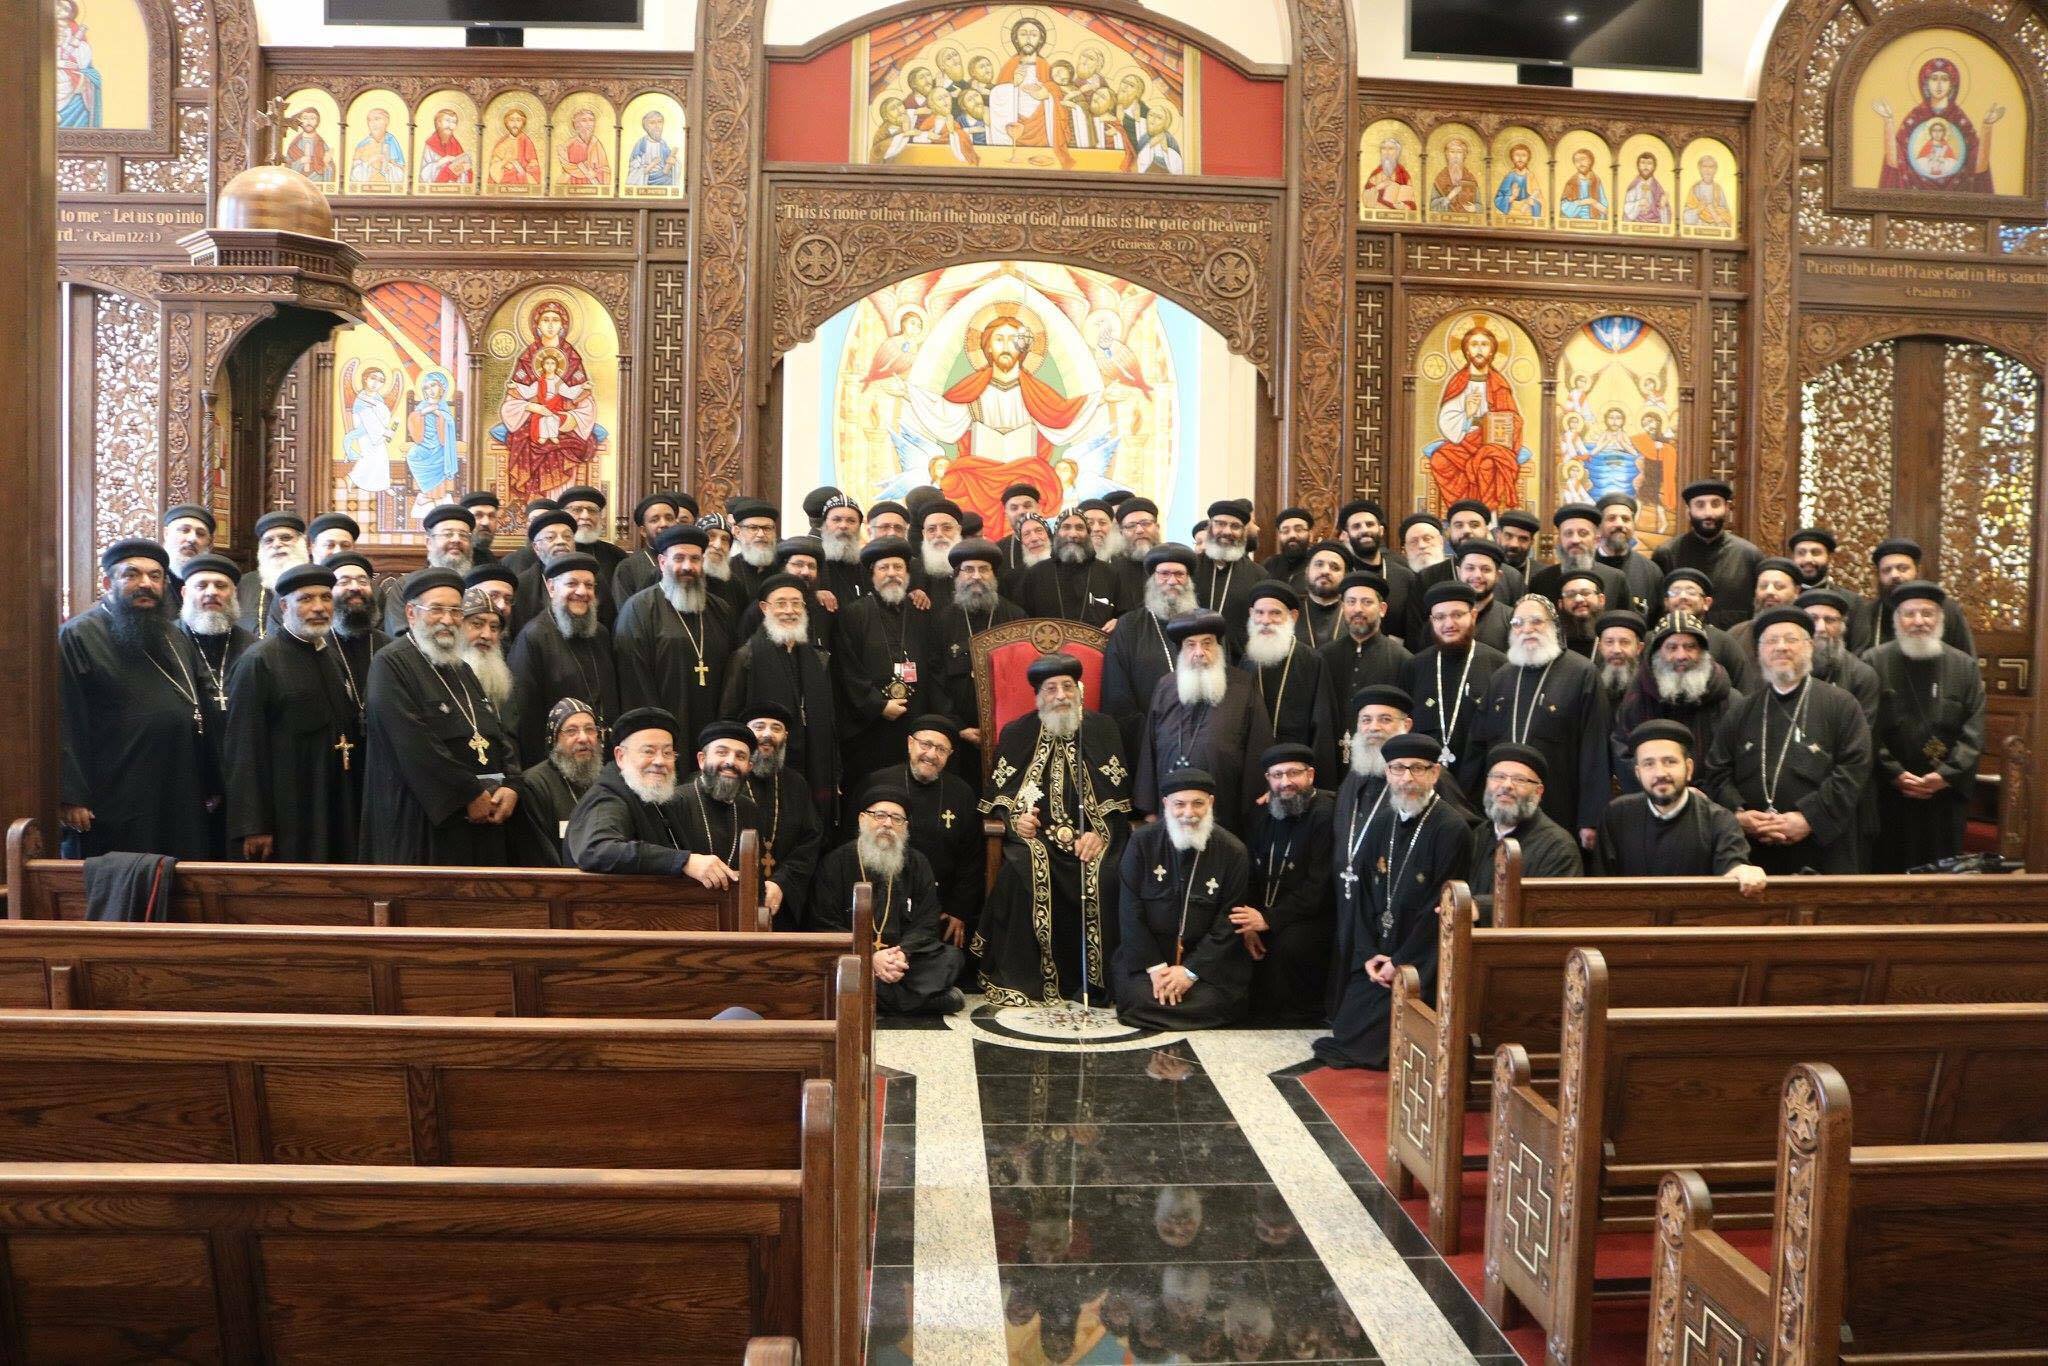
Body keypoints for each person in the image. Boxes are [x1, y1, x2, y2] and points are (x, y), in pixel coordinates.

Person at [976, 652, 1133, 1008]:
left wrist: (1100, 834)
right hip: (1037, 840)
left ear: (1079, 690)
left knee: (1107, 875)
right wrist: (1016, 821)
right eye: (1051, 688)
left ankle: (1097, 981)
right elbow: (999, 798)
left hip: (1093, 838)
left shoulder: (1104, 729)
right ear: (1038, 696)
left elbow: (1119, 800)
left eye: (1067, 686)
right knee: (1020, 874)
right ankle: (1030, 981)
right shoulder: (1017, 732)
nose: (1061, 695)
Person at [59, 539, 224, 860]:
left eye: (155, 576)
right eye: (132, 575)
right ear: (108, 583)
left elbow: (199, 708)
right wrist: (71, 796)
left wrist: (211, 780)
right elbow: (65, 718)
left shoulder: (174, 635)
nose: (146, 584)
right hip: (116, 791)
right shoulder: (79, 635)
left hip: (179, 786)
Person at [1314, 732, 1472, 1070]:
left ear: (1434, 773)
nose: (1407, 778)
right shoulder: (1382, 822)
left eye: (1417, 768)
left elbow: (1439, 908)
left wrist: (1399, 960)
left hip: (1423, 955)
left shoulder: (1452, 828)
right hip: (1379, 950)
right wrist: (1368, 953)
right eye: (1398, 768)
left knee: (1377, 1040)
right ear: (1387, 773)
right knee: (1347, 1028)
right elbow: (1363, 897)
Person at [359, 568, 522, 866]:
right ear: (411, 613)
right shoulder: (390, 664)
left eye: (455, 611)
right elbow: (412, 745)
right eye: (436, 609)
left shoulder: (462, 669)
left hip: (482, 816)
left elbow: (494, 732)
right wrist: (467, 794)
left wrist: (512, 785)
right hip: (422, 823)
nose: (447, 619)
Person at [1704, 607, 1871, 874]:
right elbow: (1717, 770)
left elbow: (1853, 769)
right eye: (1771, 641)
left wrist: (1809, 818)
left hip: (1822, 847)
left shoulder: (1841, 704)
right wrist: (1739, 815)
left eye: (1791, 639)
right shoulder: (1741, 710)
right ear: (1759, 652)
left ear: (1809, 646)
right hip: (1753, 851)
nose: (1781, 647)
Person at [223, 563, 366, 863]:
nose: (319, 607)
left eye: (325, 598)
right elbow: (244, 748)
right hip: (288, 811)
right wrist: (254, 824)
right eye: (306, 599)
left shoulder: (329, 655)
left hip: (334, 799)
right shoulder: (258, 661)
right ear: (285, 606)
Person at [1113, 769, 1252, 1031]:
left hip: (1207, 963)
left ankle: (1172, 1004)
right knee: (1138, 998)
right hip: (1150, 960)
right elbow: (1129, 910)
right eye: (1180, 804)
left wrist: (1189, 972)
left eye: (1198, 803)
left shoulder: (1233, 850)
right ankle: (1170, 1003)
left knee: (1219, 1001)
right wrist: (1156, 968)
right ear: (1166, 804)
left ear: (1210, 802)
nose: (1189, 813)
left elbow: (1228, 921)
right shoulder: (1142, 842)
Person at [1468, 595, 1610, 849]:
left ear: (1554, 626)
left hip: (1559, 805)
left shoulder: (1582, 673)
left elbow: (1595, 750)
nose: (1527, 629)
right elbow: (1478, 746)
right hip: (1503, 808)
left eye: (1536, 621)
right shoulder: (1501, 677)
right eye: (1518, 623)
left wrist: (1590, 818)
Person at [810, 786, 966, 1016]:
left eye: (897, 818)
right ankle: (920, 1001)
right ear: (862, 819)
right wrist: (870, 957)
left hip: (902, 960)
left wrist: (902, 953)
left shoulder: (917, 863)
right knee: (828, 965)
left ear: (905, 827)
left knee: (952, 958)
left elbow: (926, 922)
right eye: (879, 815)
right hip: (852, 956)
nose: (887, 824)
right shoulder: (835, 863)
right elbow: (824, 923)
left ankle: (872, 996)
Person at [1867, 581, 1985, 871]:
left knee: (1940, 875)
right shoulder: (1873, 661)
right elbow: (1864, 727)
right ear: (1897, 620)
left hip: (1944, 795)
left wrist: (1946, 775)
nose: (1919, 621)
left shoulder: (1964, 666)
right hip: (1889, 793)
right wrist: (1894, 773)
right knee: (1887, 873)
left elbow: (1974, 729)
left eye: (1927, 613)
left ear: (1940, 619)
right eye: (1910, 614)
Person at [720, 573, 842, 830]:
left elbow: (831, 721)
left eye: (796, 603)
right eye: (781, 603)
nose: (790, 610)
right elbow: (729, 718)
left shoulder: (817, 658)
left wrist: (835, 772)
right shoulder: (745, 657)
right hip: (766, 764)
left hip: (813, 763)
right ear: (765, 608)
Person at [1136, 612, 1273, 837]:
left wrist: (1253, 805)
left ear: (1218, 647)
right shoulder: (1165, 686)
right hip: (1172, 809)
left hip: (1225, 807)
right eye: (1191, 645)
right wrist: (1149, 808)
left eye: (1207, 643)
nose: (1199, 652)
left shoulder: (1243, 685)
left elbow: (1258, 744)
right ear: (1181, 650)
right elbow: (1149, 748)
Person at [855, 717, 983, 957]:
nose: (931, 755)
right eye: (926, 744)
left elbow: (971, 858)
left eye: (941, 749)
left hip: (939, 907)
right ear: (909, 744)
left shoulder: (962, 793)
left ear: (950, 755)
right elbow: (854, 843)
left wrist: (959, 910)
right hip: (881, 902)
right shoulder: (877, 782)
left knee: (950, 961)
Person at [614, 523, 735, 766]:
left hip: (712, 735)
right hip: (661, 740)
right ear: (662, 562)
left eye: (695, 559)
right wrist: (657, 737)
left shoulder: (719, 609)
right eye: (679, 558)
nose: (688, 566)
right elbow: (635, 684)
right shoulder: (639, 609)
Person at [1598, 720, 1767, 892]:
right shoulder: (1617, 815)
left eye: (1670, 761)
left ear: (1689, 768)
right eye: (1649, 764)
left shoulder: (1719, 820)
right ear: (1638, 773)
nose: (1660, 773)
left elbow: (1733, 865)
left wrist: (1741, 871)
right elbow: (1600, 886)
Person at [1234, 744, 1336, 1026]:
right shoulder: (1262, 813)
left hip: (1311, 915)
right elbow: (1250, 874)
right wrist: (1250, 923)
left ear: (1310, 775)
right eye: (1277, 775)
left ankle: (1295, 1019)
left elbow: (1319, 886)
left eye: (1294, 773)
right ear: (1268, 779)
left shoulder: (1326, 814)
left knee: (1290, 945)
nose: (1285, 782)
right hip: (1266, 911)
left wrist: (1269, 919)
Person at [567, 710, 732, 880]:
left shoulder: (651, 795)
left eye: (667, 753)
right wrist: (684, 861)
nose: (660, 761)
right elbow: (597, 850)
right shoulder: (607, 798)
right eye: (648, 751)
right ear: (621, 756)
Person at [836, 536, 942, 774]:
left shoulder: (921, 611)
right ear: (872, 575)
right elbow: (848, 668)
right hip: (871, 725)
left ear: (907, 574)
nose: (892, 573)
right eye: (884, 568)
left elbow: (935, 664)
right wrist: (878, 705)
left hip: (916, 719)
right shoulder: (854, 614)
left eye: (898, 567)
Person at [507, 551, 619, 765]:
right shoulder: (533, 637)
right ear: (551, 588)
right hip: (557, 762)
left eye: (589, 585)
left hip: (601, 756)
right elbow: (525, 718)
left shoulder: (601, 634)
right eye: (572, 584)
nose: (582, 592)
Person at [1612, 610, 1744, 792]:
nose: (1681, 655)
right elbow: (1624, 753)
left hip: (1714, 801)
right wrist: (1664, 794)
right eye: (1672, 647)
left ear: (1703, 652)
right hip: (1654, 800)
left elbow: (1738, 759)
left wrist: (1707, 795)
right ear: (1657, 653)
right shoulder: (1637, 698)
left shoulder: (1729, 700)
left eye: (1690, 647)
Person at [1402, 581, 1507, 789]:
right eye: (1440, 617)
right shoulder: (1414, 666)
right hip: (1424, 785)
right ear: (1431, 621)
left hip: (1481, 785)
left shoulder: (1499, 666)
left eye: (1457, 615)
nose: (1449, 623)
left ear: (1473, 616)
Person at [930, 538, 1023, 769]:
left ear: (994, 575)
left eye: (984, 569)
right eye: (968, 569)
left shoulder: (1016, 617)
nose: (976, 576)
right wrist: (957, 726)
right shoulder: (942, 621)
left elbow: (1021, 678)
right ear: (957, 576)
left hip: (1007, 731)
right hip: (957, 735)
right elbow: (934, 678)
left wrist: (1007, 725)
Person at [1100, 543, 1199, 756]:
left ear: (1188, 580)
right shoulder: (1129, 626)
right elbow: (1117, 694)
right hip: (1147, 742)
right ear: (1152, 579)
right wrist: (1153, 737)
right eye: (1164, 574)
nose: (1172, 581)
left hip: (1200, 739)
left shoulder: (1205, 626)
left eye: (1179, 574)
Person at [1241, 582, 1340, 784]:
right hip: (1254, 772)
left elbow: (1323, 728)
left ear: (1293, 616)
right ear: (1251, 614)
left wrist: (1317, 784)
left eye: (1275, 613)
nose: (1265, 621)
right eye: (1259, 613)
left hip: (1297, 775)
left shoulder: (1312, 661)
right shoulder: (1246, 661)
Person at [1465, 743, 1581, 909]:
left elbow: (1550, 906)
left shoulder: (1558, 846)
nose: (1506, 785)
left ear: (1538, 792)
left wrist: (1479, 908)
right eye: (1498, 777)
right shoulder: (1477, 836)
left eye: (1519, 779)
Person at [740, 701, 824, 928]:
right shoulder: (731, 778)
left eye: (776, 728)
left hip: (782, 899)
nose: (767, 734)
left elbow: (810, 840)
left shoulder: (796, 784)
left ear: (785, 737)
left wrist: (781, 881)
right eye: (759, 727)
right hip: (734, 894)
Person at [1651, 480, 1763, 630]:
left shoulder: (1749, 555)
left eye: (1715, 504)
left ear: (1727, 508)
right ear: (1688, 512)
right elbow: (1658, 610)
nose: (1708, 513)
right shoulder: (1667, 553)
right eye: (1700, 505)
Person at [1849, 538, 1976, 655]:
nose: (1894, 575)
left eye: (1902, 568)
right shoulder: (1868, 614)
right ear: (1878, 576)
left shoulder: (1947, 610)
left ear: (1917, 571)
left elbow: (1966, 662)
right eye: (1886, 570)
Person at [514, 698, 601, 865]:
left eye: (590, 729)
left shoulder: (604, 781)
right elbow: (538, 855)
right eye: (571, 731)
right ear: (554, 739)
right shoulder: (534, 784)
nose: (583, 738)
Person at [1318, 571, 1411, 710]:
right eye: (1351, 602)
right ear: (1343, 608)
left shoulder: (1402, 660)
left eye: (1366, 602)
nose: (1358, 609)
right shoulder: (1324, 656)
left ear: (1382, 609)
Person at [1019, 508, 1122, 628]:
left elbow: (1123, 615)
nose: (1073, 534)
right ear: (1056, 533)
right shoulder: (1035, 574)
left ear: (1088, 534)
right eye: (1066, 527)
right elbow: (1023, 622)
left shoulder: (1109, 573)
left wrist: (1118, 621)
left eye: (1079, 528)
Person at [1528, 503, 1630, 615]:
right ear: (1559, 541)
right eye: (1568, 534)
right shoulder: (1541, 580)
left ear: (1596, 540)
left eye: (1583, 533)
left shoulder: (1616, 579)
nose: (1575, 540)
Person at [1336, 499, 1415, 642]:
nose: (1364, 530)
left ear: (1381, 530)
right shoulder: (1340, 575)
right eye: (1356, 526)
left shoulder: (1404, 576)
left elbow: (1412, 628)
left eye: (1370, 524)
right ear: (1346, 535)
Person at [610, 491, 689, 611]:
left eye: (669, 518)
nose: (663, 524)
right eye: (655, 520)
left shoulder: (689, 562)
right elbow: (625, 613)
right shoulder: (627, 568)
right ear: (643, 531)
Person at [237, 511, 311, 639]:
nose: (276, 544)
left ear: (302, 542)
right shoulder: (244, 584)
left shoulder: (317, 581)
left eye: (285, 538)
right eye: (268, 540)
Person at [1594, 494, 1662, 618]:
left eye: (1626, 519)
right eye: (1611, 518)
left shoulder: (1651, 571)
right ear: (1599, 526)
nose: (1620, 524)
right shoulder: (1586, 567)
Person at [1294, 541, 1351, 648]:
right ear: (1307, 571)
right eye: (1319, 564)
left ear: (1345, 576)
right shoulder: (1291, 612)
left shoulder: (1354, 614)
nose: (1325, 571)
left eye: (1335, 567)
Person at [1593, 609, 1646, 710]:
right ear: (1600, 647)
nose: (1616, 650)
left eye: (1624, 642)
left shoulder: (1649, 688)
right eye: (1609, 642)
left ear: (1639, 648)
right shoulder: (1589, 686)